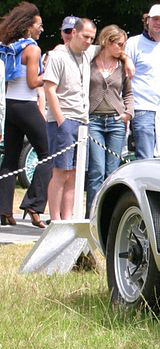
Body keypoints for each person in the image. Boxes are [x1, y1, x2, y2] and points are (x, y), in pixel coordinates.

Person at [0, 2, 50, 227]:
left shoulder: (9, 45)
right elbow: (32, 82)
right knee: (48, 155)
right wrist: (49, 73)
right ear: (29, 26)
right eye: (39, 25)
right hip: (26, 105)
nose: (42, 29)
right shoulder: (33, 49)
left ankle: (4, 210)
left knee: (10, 159)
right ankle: (34, 204)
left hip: (9, 105)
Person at [43, 18, 96, 221]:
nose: (88, 41)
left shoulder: (87, 54)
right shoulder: (58, 55)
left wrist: (126, 60)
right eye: (85, 37)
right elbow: (49, 88)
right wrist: (61, 120)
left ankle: (67, 218)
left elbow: (112, 46)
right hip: (63, 119)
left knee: (75, 174)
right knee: (60, 172)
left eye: (92, 38)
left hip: (83, 121)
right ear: (73, 33)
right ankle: (55, 219)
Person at [85, 25, 133, 216]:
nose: (122, 48)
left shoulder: (122, 66)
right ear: (107, 41)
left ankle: (108, 215)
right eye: (119, 44)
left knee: (112, 172)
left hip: (116, 121)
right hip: (94, 120)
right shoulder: (89, 61)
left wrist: (128, 113)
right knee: (96, 169)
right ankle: (92, 214)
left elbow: (128, 93)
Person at [125, 4, 160, 159]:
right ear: (147, 20)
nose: (158, 23)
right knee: (146, 158)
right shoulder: (133, 43)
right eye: (155, 19)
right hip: (142, 108)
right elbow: (125, 77)